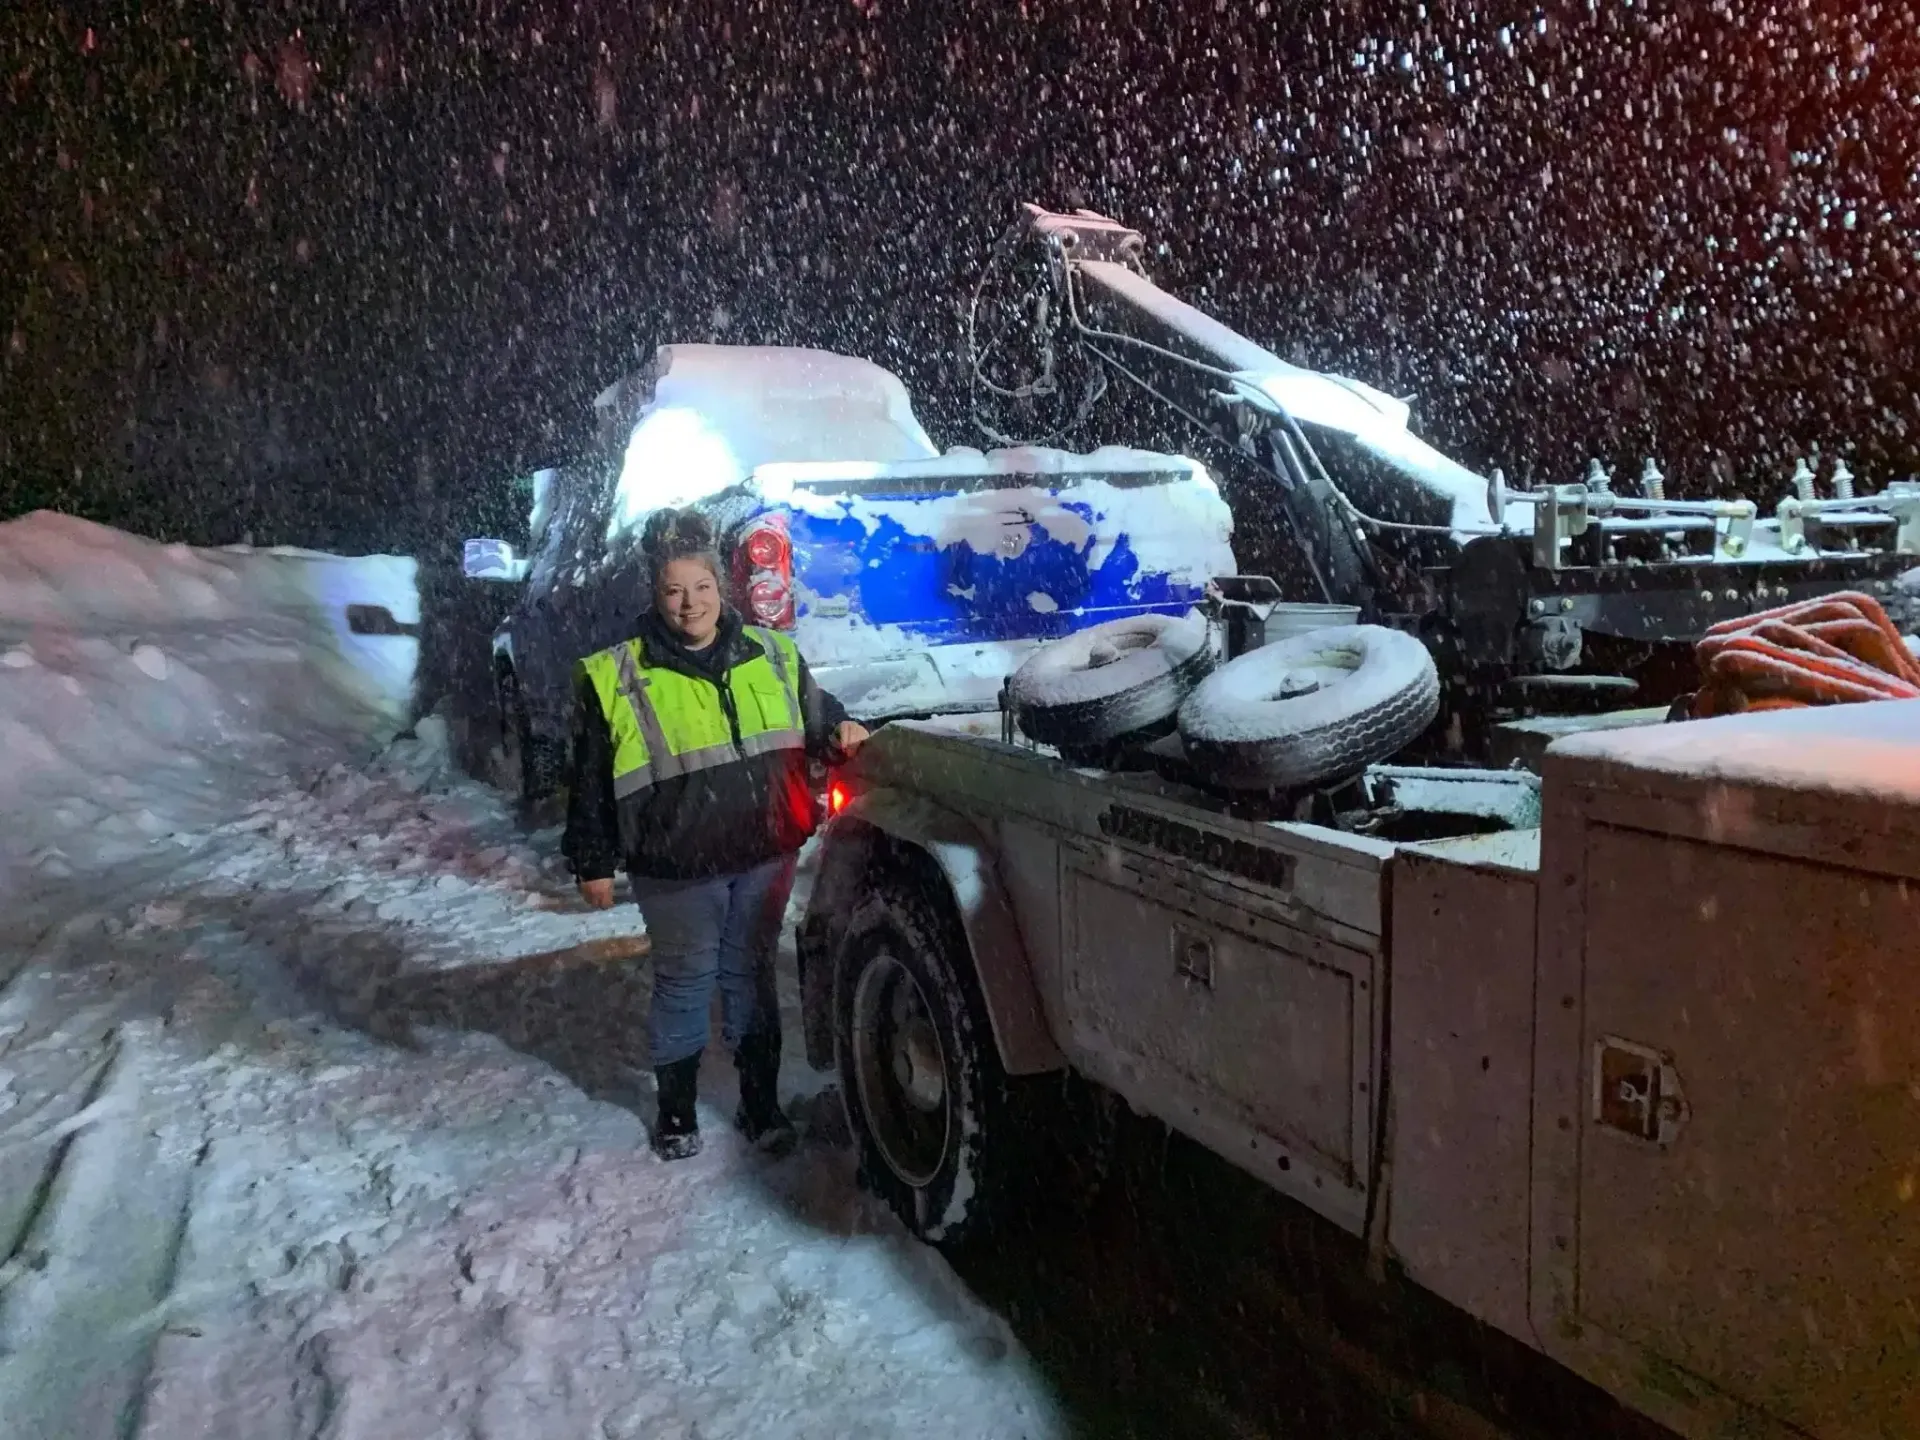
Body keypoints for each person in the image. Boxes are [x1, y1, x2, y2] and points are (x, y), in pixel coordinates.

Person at [564, 508, 868, 1161]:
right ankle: (676, 1113)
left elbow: (820, 719)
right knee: (686, 981)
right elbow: (589, 778)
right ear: (655, 591)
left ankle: (761, 1107)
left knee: (751, 978)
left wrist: (844, 729)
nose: (689, 603)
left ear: (720, 587)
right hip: (676, 864)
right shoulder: (616, 675)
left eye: (700, 587)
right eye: (673, 590)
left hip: (764, 852)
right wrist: (591, 858)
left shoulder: (774, 654)